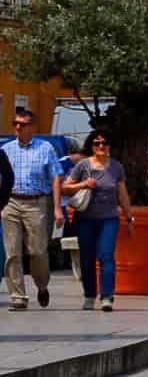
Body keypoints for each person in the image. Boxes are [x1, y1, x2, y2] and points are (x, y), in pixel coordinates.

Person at [63, 132, 132, 312]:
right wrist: (83, 184)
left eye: (104, 142)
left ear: (109, 145)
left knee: (106, 256)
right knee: (87, 259)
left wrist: (129, 216)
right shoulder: (83, 166)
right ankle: (89, 295)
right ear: (91, 146)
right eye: (97, 143)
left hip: (109, 219)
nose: (101, 146)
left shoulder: (116, 167)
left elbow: (122, 194)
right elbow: (66, 188)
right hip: (85, 219)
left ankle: (107, 296)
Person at [0, 107, 55, 311]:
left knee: (37, 251)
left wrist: (57, 207)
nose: (16, 127)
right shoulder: (6, 150)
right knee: (12, 252)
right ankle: (18, 297)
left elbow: (56, 178)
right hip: (11, 202)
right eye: (14, 123)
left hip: (37, 203)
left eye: (21, 124)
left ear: (32, 127)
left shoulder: (46, 148)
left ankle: (42, 286)